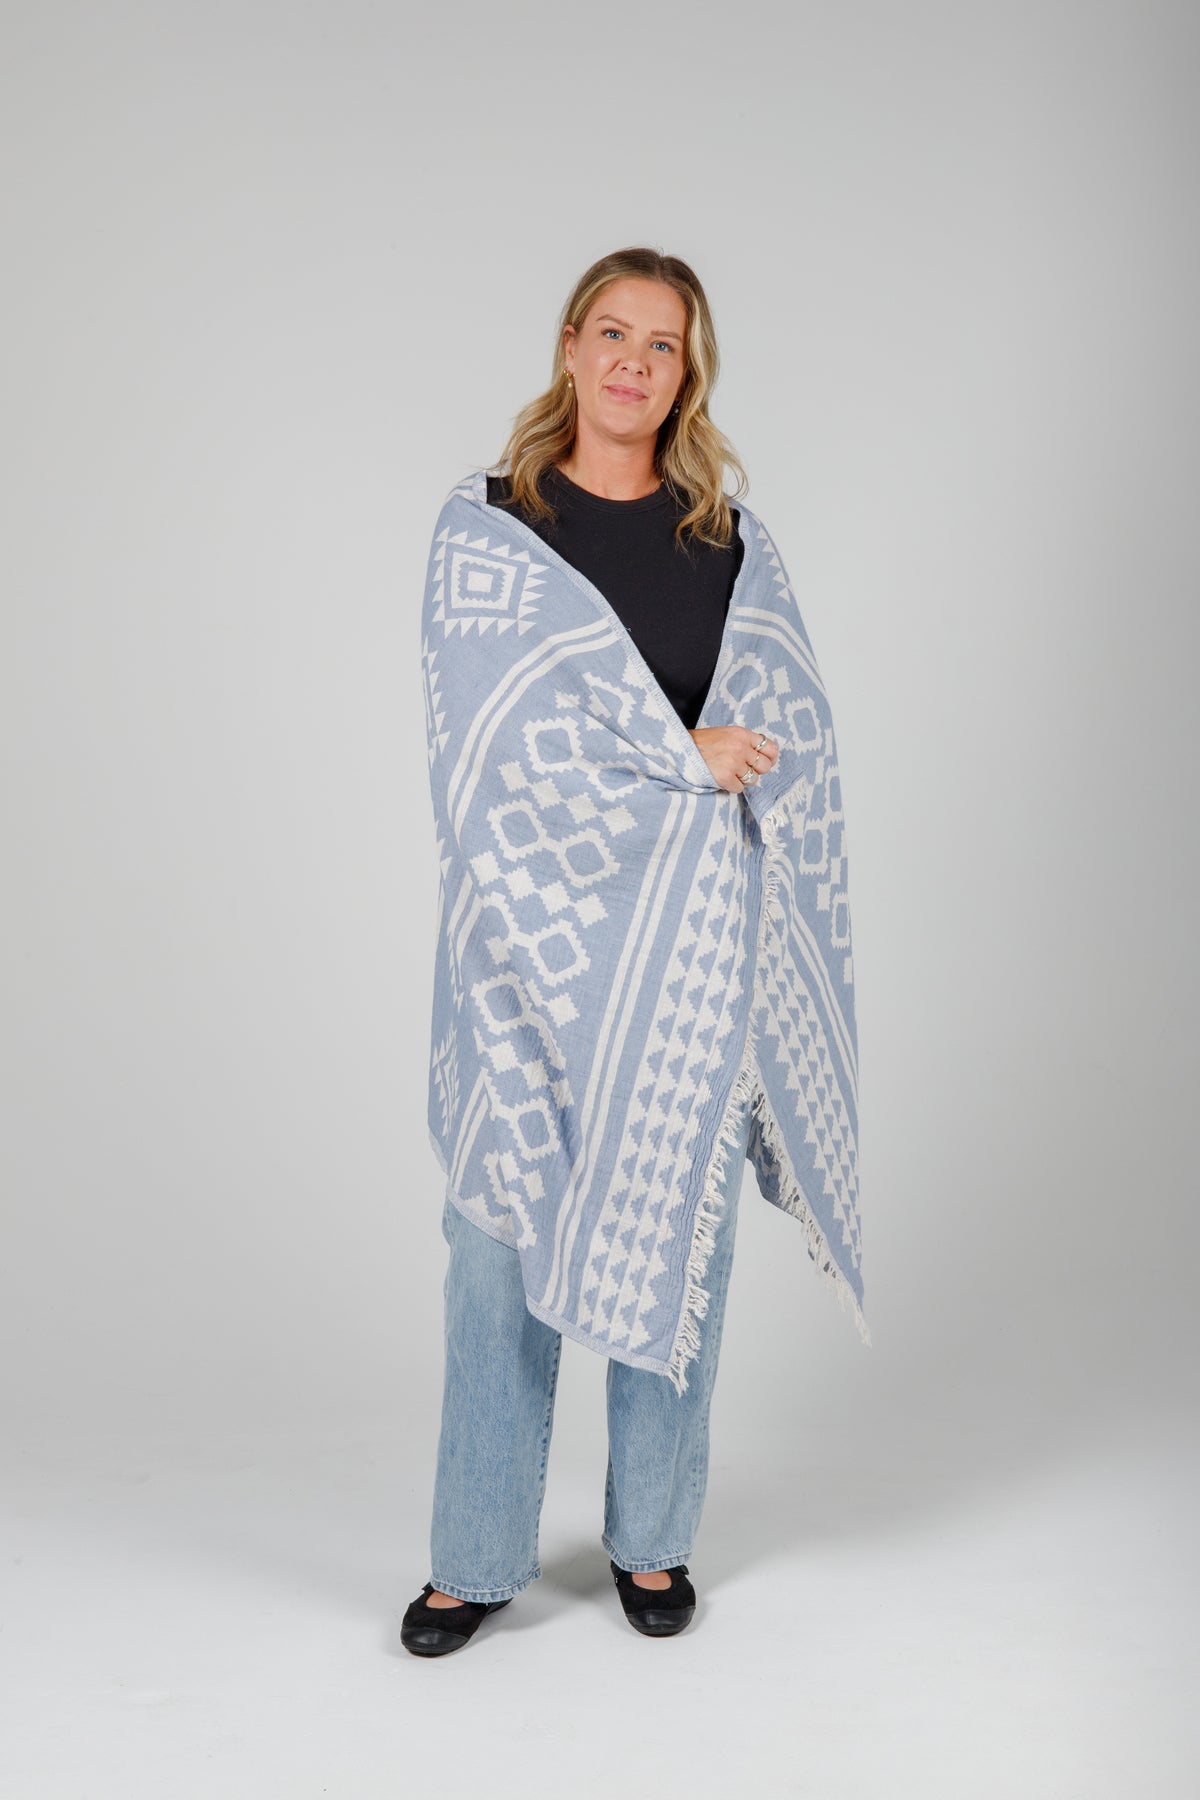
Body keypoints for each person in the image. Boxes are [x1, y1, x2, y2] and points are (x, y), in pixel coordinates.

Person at [402, 246, 852, 1658]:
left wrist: (723, 767)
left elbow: (783, 736)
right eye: (614, 333)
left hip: (683, 954)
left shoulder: (728, 544)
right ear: (570, 345)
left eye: (664, 345)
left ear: (686, 374)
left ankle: (653, 1540)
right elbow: (485, 759)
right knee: (495, 1249)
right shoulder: (492, 530)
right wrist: (679, 759)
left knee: (682, 1244)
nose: (634, 364)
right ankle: (476, 1556)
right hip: (520, 953)